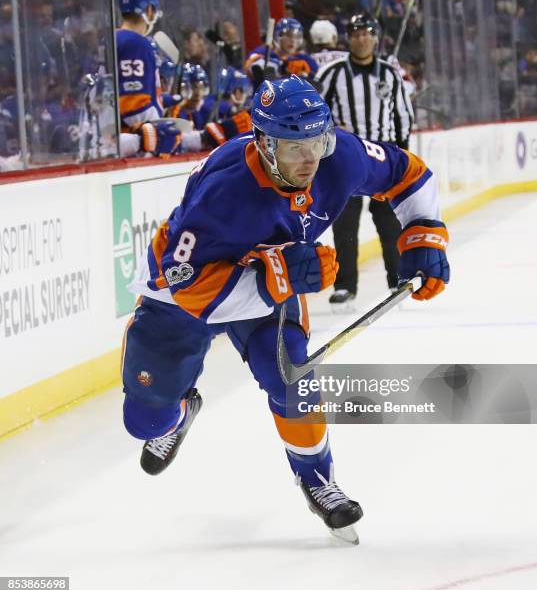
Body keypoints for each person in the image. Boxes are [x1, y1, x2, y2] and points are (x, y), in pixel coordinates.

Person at [121, 75, 450, 541]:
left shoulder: (338, 157)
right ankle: (178, 408)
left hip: (268, 282)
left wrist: (421, 232)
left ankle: (318, 478)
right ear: (264, 143)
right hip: (184, 291)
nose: (311, 158)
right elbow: (184, 285)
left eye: (319, 140)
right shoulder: (225, 191)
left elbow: (408, 173)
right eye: (296, 147)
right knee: (145, 421)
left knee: (292, 376)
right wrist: (275, 276)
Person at [315, 12, 414, 312]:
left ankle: (398, 279)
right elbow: (318, 114)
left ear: (375, 37)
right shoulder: (332, 74)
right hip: (345, 160)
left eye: (366, 32)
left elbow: (403, 117)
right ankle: (345, 285)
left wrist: (402, 157)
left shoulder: (390, 74)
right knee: (344, 225)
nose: (361, 38)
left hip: (383, 159)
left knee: (390, 224)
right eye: (355, 33)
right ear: (349, 37)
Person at [116, 0, 180, 157]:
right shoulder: (136, 42)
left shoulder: (112, 37)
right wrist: (160, 125)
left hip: (116, 137)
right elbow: (133, 106)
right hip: (135, 141)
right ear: (149, 10)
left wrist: (161, 101)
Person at [244, 18, 318, 90]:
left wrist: (306, 74)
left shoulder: (304, 59)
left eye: (297, 37)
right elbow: (251, 68)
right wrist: (283, 67)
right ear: (277, 36)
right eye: (288, 35)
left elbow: (316, 83)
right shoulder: (263, 53)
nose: (292, 40)